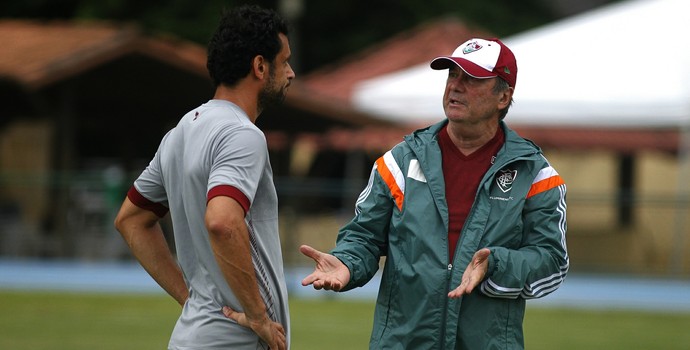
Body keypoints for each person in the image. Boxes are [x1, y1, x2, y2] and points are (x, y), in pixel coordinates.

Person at [300, 37, 568, 349]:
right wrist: (347, 262)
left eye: (472, 79)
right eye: (452, 75)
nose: (456, 86)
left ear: (503, 97)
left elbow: (551, 261)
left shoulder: (534, 174)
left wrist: (496, 264)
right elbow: (364, 237)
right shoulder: (399, 161)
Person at [114, 5, 294, 350]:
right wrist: (257, 317)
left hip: (192, 336)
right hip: (233, 341)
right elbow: (223, 222)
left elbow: (130, 220)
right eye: (284, 61)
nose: (291, 72)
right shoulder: (243, 134)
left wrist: (192, 300)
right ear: (259, 67)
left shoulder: (181, 131)